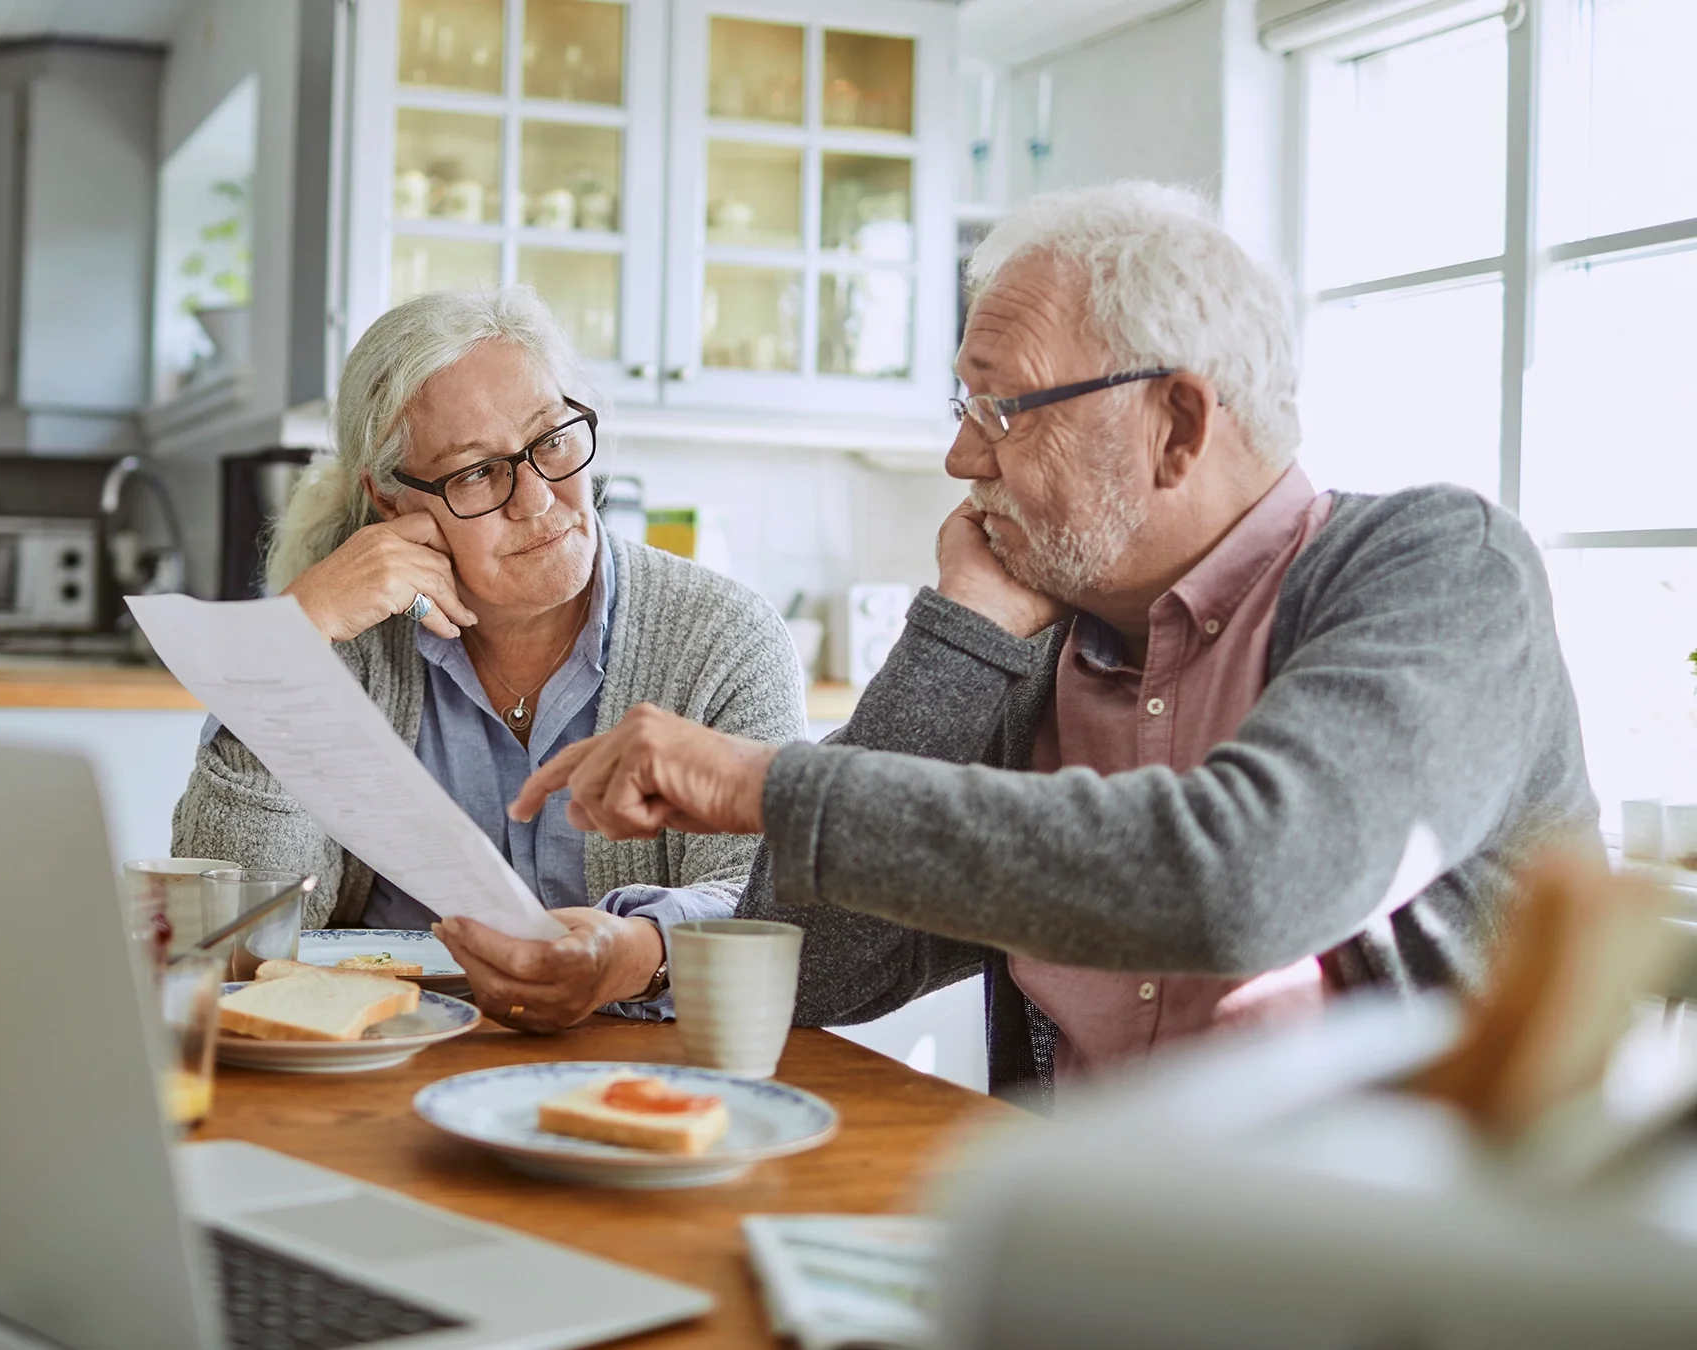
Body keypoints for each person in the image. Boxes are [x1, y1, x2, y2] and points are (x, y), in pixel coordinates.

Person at [499, 182, 1599, 1104]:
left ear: (1177, 425)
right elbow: (820, 963)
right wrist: (963, 637)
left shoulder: (1443, 567)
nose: (960, 462)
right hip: (1076, 1248)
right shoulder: (1036, 641)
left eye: (1004, 411)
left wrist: (763, 783)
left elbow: (1249, 877)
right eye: (961, 407)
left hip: (1410, 1274)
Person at [172, 287, 806, 1030]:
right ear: (389, 499)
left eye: (553, 441)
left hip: (645, 1068)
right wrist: (290, 642)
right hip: (380, 1061)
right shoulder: (347, 640)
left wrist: (637, 952)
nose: (536, 499)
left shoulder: (724, 639)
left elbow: (769, 913)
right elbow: (232, 935)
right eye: (476, 472)